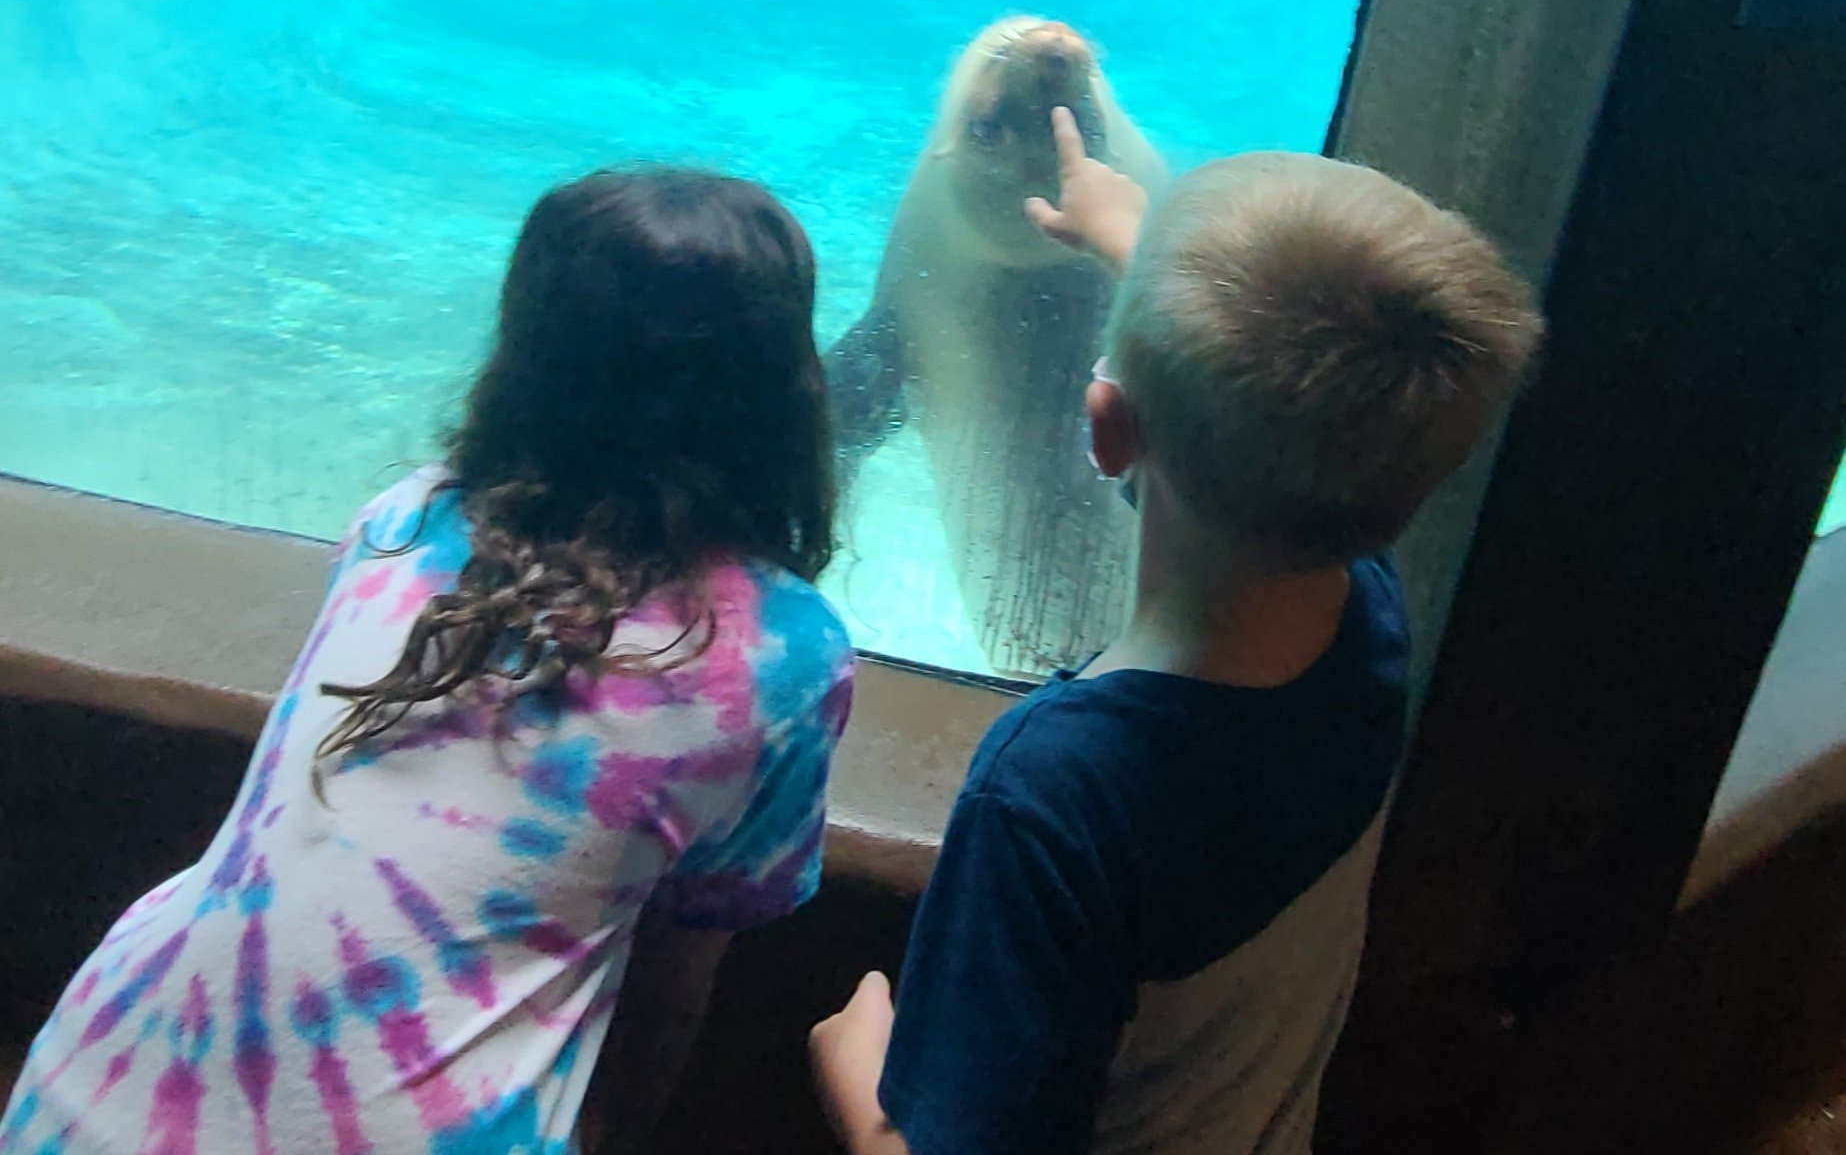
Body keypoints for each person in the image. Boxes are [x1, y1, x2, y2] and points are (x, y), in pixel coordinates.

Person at [0, 169, 856, 1155]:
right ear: (781, 391)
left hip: (78, 1098)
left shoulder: (405, 521)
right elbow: (673, 986)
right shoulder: (784, 654)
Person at [810, 110, 1542, 1155]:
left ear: (1104, 428)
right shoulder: (1369, 618)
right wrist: (1132, 238)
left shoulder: (1056, 794)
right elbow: (1299, 419)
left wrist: (859, 1089)